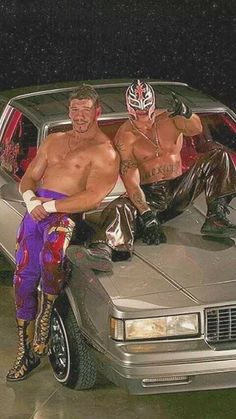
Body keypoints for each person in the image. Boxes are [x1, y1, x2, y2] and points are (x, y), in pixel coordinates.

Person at [6, 84, 119, 382]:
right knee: (22, 278)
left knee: (52, 256)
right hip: (36, 212)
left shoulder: (105, 152)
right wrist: (31, 200)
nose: (80, 116)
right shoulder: (54, 140)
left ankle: (46, 315)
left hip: (64, 213)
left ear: (97, 112)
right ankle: (25, 352)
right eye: (74, 110)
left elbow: (93, 197)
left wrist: (52, 204)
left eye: (85, 111)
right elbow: (29, 177)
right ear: (69, 111)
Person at [74, 79, 236, 263]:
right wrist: (147, 214)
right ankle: (104, 249)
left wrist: (187, 113)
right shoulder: (125, 137)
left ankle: (215, 218)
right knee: (119, 207)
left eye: (145, 109)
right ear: (130, 108)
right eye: (138, 110)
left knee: (219, 155)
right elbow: (131, 181)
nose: (142, 114)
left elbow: (196, 128)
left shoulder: (170, 119)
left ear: (152, 104)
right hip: (150, 196)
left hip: (178, 189)